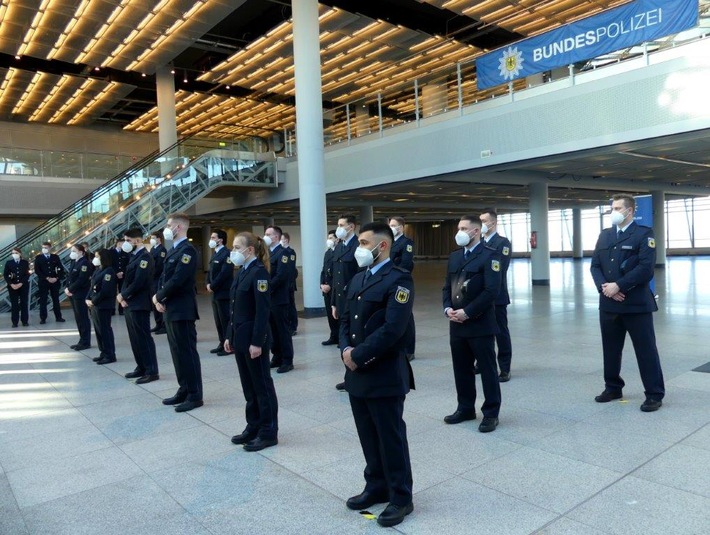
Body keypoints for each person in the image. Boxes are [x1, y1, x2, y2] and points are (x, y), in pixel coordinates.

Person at [339, 222, 415, 528]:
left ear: (381, 246)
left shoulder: (399, 280)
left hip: (383, 372)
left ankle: (400, 497)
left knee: (390, 436)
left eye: (363, 241)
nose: (358, 247)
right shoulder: (359, 278)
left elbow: (393, 329)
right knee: (368, 435)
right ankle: (376, 485)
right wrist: (345, 349)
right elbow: (345, 319)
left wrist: (357, 355)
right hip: (357, 374)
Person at [590, 194, 665, 412]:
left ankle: (654, 393)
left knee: (646, 350)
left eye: (617, 207)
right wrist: (606, 288)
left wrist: (619, 286)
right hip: (609, 303)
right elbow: (595, 266)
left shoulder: (644, 234)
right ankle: (613, 387)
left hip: (636, 305)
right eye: (611, 207)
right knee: (611, 349)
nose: (613, 211)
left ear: (629, 211)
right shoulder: (604, 235)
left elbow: (645, 268)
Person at [443, 215, 501, 433]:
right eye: (459, 227)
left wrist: (467, 312)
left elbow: (491, 291)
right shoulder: (455, 257)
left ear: (476, 231)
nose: (459, 231)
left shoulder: (490, 256)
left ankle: (491, 413)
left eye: (464, 228)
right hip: (456, 324)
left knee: (487, 370)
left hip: (480, 324)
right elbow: (446, 287)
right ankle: (466, 407)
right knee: (461, 369)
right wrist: (447, 308)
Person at [224, 232, 279, 452]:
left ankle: (268, 431)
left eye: (237, 247)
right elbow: (235, 307)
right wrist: (229, 334)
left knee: (262, 386)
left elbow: (262, 311)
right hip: (240, 338)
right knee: (249, 386)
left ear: (250, 251)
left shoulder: (259, 274)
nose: (233, 251)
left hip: (253, 341)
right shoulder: (242, 272)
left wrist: (257, 342)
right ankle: (253, 425)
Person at [153, 213, 203, 412]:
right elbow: (164, 276)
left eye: (169, 225)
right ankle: (184, 389)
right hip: (171, 307)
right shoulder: (174, 249)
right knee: (176, 352)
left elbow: (178, 279)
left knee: (187, 353)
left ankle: (195, 395)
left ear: (179, 227)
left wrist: (159, 296)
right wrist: (160, 297)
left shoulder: (187, 251)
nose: (166, 228)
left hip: (182, 309)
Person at [119, 228, 159, 384]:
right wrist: (122, 296)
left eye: (128, 240)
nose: (126, 243)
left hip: (139, 303)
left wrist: (123, 295)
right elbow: (127, 279)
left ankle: (151, 370)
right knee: (134, 337)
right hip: (130, 302)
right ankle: (141, 366)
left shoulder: (145, 257)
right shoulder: (134, 256)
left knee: (143, 337)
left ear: (138, 240)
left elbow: (139, 281)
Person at [480, 209, 513, 382]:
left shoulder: (502, 243)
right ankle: (483, 362)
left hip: (497, 296)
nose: (481, 224)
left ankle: (505, 367)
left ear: (493, 223)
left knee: (500, 332)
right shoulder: (478, 242)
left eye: (484, 221)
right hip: (480, 297)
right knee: (482, 331)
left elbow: (500, 269)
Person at [332, 214, 360, 391]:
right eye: (338, 224)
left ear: (351, 227)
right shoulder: (339, 246)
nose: (339, 228)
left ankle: (357, 375)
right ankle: (348, 375)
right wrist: (334, 303)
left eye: (342, 225)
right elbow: (336, 278)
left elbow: (359, 274)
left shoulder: (358, 245)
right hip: (341, 302)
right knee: (345, 339)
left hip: (354, 300)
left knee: (356, 339)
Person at [264, 225, 296, 373]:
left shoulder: (284, 254)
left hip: (279, 298)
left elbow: (282, 276)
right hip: (269, 299)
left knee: (283, 330)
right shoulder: (267, 254)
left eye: (268, 234)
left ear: (275, 237)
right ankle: (276, 356)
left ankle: (287, 360)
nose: (265, 236)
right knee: (272, 330)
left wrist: (267, 287)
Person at [389, 216, 416, 361]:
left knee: (406, 316)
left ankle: (409, 349)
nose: (391, 227)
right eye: (390, 224)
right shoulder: (389, 242)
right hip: (390, 281)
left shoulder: (406, 243)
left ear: (401, 227)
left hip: (401, 282)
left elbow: (406, 263)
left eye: (394, 225)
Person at [86, 249, 117, 365]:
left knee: (105, 330)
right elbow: (92, 286)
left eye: (98, 256)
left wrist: (93, 301)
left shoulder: (108, 271)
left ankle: (110, 354)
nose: (95, 258)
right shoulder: (98, 270)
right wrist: (87, 298)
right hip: (95, 304)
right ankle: (103, 352)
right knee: (99, 330)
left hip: (103, 305)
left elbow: (105, 291)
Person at [206, 229, 234, 356]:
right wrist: (207, 284)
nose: (211, 239)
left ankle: (229, 345)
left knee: (225, 320)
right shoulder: (216, 253)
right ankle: (222, 342)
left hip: (223, 292)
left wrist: (213, 285)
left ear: (220, 240)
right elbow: (210, 271)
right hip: (215, 293)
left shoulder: (227, 253)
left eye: (213, 237)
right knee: (218, 321)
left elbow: (224, 273)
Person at [64, 244, 92, 350]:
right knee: (78, 318)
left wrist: (70, 289)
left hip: (80, 294)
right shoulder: (74, 262)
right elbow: (70, 277)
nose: (72, 253)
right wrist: (67, 288)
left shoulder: (85, 263)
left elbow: (82, 279)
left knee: (83, 317)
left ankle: (85, 341)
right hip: (73, 294)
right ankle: (81, 339)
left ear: (81, 252)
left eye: (74, 251)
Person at [34, 241, 66, 324]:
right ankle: (43, 318)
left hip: (55, 282)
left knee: (56, 299)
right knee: (43, 300)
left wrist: (57, 277)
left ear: (50, 248)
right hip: (44, 282)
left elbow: (60, 268)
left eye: (46, 247)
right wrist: (47, 278)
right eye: (43, 247)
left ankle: (58, 317)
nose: (44, 249)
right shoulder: (38, 258)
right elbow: (37, 270)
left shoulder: (55, 257)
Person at [320, 230, 339, 345]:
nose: (329, 240)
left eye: (331, 237)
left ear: (337, 239)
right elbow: (323, 270)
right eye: (328, 237)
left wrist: (330, 286)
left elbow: (338, 273)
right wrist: (321, 284)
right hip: (326, 289)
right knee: (329, 314)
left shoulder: (339, 252)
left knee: (337, 314)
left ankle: (340, 338)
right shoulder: (327, 253)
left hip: (335, 289)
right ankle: (333, 336)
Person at [4, 248, 30, 327]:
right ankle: (15, 322)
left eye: (16, 253)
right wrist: (11, 284)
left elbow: (27, 274)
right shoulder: (9, 263)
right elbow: (6, 275)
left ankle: (25, 321)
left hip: (23, 286)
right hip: (12, 287)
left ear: (20, 253)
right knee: (14, 304)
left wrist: (21, 283)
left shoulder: (25, 262)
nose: (14, 254)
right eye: (13, 253)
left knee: (24, 303)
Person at [281, 232, 299, 336]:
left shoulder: (290, 252)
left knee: (291, 306)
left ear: (286, 240)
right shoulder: (281, 252)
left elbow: (290, 269)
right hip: (284, 285)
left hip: (289, 284)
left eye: (282, 239)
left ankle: (293, 326)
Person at [149, 232, 167, 334]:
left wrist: (151, 274)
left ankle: (163, 325)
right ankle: (158, 323)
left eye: (153, 238)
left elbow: (159, 266)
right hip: (152, 280)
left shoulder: (162, 250)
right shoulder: (153, 249)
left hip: (157, 279)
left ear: (159, 239)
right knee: (154, 302)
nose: (151, 239)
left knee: (159, 301)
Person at [112, 237, 130, 316]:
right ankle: (112, 309)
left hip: (123, 275)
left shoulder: (125, 253)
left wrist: (122, 272)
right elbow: (110, 264)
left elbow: (127, 264)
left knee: (122, 291)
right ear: (118, 243)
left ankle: (121, 309)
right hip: (113, 275)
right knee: (112, 292)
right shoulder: (111, 252)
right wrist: (116, 272)